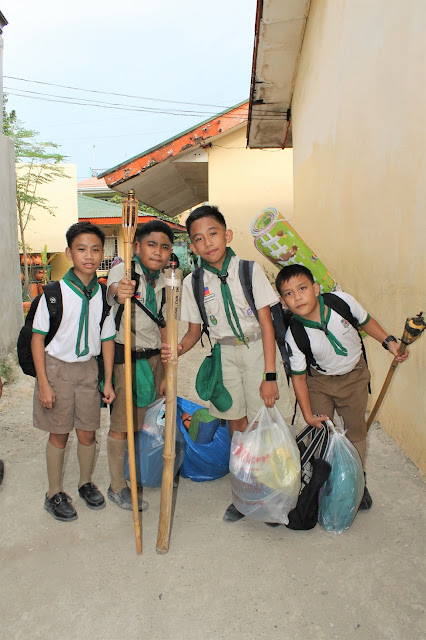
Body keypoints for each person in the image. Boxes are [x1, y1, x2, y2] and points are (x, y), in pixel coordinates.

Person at [162, 205, 293, 522]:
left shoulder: (249, 270)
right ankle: (245, 494)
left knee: (270, 420)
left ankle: (276, 495)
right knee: (237, 427)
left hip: (258, 350)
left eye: (213, 233)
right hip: (226, 356)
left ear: (227, 234)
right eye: (199, 239)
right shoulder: (194, 283)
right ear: (192, 247)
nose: (208, 242)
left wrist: (270, 375)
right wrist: (178, 348)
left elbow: (266, 325)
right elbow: (195, 331)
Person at [275, 264, 409, 509]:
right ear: (284, 302)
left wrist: (388, 342)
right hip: (320, 382)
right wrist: (307, 415)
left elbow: (366, 321)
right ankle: (323, 483)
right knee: (322, 432)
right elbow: (299, 378)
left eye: (302, 288)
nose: (297, 297)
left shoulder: (341, 302)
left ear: (315, 288)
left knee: (356, 431)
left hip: (354, 377)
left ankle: (358, 481)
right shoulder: (294, 334)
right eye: (289, 294)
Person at [32, 222, 116, 522]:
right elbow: (37, 339)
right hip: (57, 370)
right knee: (58, 434)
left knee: (88, 432)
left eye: (95, 249)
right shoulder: (53, 294)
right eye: (81, 249)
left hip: (88, 372)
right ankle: (53, 492)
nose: (88, 256)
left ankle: (84, 482)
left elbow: (106, 339)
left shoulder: (103, 296)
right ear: (69, 253)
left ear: (103, 254)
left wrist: (106, 379)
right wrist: (44, 383)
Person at [106, 220, 173, 510]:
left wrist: (169, 370)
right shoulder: (125, 270)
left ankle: (134, 471)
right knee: (122, 424)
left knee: (146, 421)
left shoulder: (166, 279)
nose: (157, 252)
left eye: (164, 246)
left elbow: (166, 323)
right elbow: (113, 291)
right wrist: (120, 291)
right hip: (127, 359)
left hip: (156, 357)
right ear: (136, 247)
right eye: (151, 244)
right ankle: (117, 485)